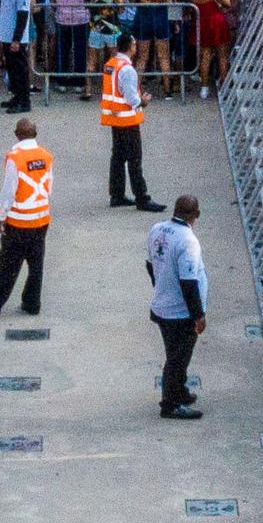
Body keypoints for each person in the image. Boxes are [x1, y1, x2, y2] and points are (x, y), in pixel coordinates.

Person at [0, 120, 52, 318]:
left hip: (19, 221)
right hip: (41, 218)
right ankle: (32, 303)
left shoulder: (15, 158)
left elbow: (9, 190)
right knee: (36, 264)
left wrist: (2, 215)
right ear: (35, 133)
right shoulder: (46, 156)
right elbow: (49, 186)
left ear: (17, 134)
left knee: (8, 265)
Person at [147, 198, 208, 422]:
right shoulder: (188, 241)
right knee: (177, 359)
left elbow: (150, 264)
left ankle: (180, 391)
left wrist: (162, 285)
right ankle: (170, 404)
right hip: (180, 313)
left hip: (162, 306)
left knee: (175, 353)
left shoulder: (157, 230)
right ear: (196, 215)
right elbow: (189, 282)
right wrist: (198, 315)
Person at [100, 37, 157, 212]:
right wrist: (143, 101)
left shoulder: (111, 64)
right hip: (127, 119)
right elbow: (131, 98)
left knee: (118, 156)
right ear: (131, 47)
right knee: (134, 158)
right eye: (134, 44)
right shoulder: (127, 69)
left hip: (114, 117)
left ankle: (117, 195)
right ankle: (142, 197)